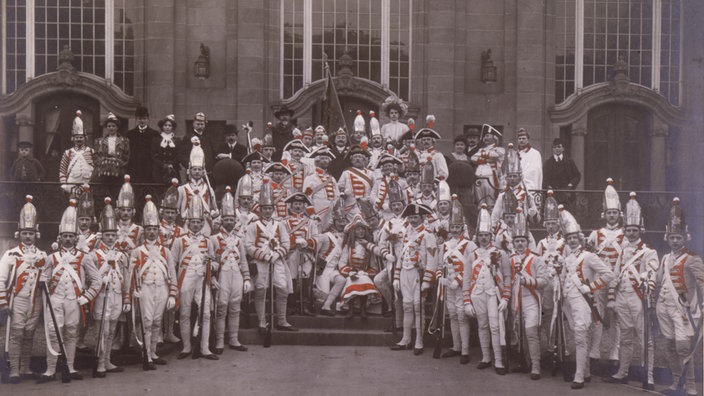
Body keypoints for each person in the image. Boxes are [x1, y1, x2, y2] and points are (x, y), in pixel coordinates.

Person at [39, 199, 101, 383]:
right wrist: (43, 279)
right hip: (55, 299)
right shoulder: (52, 257)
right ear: (60, 237)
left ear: (76, 238)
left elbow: (97, 281)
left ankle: (70, 367)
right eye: (64, 236)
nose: (68, 239)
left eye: (71, 236)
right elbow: (44, 277)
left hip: (74, 300)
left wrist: (86, 297)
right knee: (53, 332)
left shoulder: (84, 257)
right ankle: (50, 370)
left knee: (71, 332)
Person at [603, 192, 658, 390]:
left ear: (640, 230)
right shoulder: (622, 251)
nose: (632, 233)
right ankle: (622, 372)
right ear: (624, 231)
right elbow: (614, 276)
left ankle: (649, 376)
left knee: (646, 339)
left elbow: (652, 274)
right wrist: (611, 298)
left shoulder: (649, 252)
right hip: (622, 298)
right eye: (628, 230)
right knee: (625, 337)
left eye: (634, 230)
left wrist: (648, 291)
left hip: (638, 298)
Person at [557, 205, 614, 390]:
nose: (572, 241)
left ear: (580, 239)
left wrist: (590, 287)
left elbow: (608, 275)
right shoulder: (566, 259)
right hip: (568, 302)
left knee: (581, 338)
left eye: (575, 238)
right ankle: (586, 371)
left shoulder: (589, 256)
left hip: (583, 301)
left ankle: (579, 376)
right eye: (569, 238)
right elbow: (564, 279)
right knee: (576, 336)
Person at [655, 198, 704, 396]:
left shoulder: (693, 258)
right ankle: (677, 383)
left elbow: (702, 281)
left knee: (684, 348)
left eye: (679, 238)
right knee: (668, 346)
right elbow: (659, 281)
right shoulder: (665, 258)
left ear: (685, 238)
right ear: (667, 238)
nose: (675, 241)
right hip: (664, 307)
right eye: (672, 237)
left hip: (683, 310)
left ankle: (691, 386)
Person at [0, 196, 48, 383]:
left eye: (30, 233)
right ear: (18, 234)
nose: (28, 236)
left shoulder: (42, 255)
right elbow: (1, 278)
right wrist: (3, 302)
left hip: (35, 299)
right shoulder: (11, 254)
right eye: (24, 233)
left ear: (36, 234)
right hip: (17, 298)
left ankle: (26, 367)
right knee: (17, 332)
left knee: (29, 333)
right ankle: (14, 370)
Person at [127, 196, 178, 369]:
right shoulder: (137, 251)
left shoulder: (166, 251)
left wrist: (173, 294)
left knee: (157, 320)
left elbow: (172, 273)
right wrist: (132, 290)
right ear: (144, 231)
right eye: (148, 229)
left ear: (158, 231)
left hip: (162, 288)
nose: (151, 232)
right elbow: (131, 275)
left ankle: (154, 352)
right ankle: (146, 354)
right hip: (145, 288)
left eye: (154, 229)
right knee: (147, 321)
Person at [463, 204, 511, 375]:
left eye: (486, 235)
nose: (484, 238)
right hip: (477, 294)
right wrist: (467, 301)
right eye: (481, 235)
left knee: (495, 326)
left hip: (493, 294)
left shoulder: (500, 253)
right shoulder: (471, 254)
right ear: (477, 236)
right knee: (482, 325)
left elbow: (506, 277)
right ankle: (485, 357)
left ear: (491, 236)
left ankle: (498, 360)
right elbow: (466, 279)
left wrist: (506, 297)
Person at [170, 195, 218, 360]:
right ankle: (186, 347)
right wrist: (174, 284)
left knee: (205, 313)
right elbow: (172, 263)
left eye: (199, 222)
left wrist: (210, 264)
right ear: (188, 223)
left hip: (202, 280)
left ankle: (204, 348)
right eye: (193, 222)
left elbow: (215, 262)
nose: (196, 225)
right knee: (185, 313)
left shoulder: (208, 240)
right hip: (185, 278)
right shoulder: (179, 241)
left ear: (203, 224)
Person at [246, 180, 296, 332]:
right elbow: (248, 246)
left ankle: (282, 320)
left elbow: (287, 244)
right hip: (261, 262)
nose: (267, 211)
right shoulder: (253, 225)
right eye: (264, 208)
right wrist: (263, 256)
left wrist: (276, 254)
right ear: (260, 209)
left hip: (277, 261)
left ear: (273, 209)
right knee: (261, 291)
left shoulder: (280, 224)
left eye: (270, 208)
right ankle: (262, 322)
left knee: (282, 289)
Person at [586, 178, 623, 374]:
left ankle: (614, 353)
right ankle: (594, 352)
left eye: (614, 213)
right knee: (597, 316)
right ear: (604, 214)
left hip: (616, 283)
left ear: (619, 214)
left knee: (615, 317)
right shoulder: (595, 234)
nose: (612, 216)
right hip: (599, 283)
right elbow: (590, 257)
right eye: (609, 213)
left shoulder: (625, 234)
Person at [391, 203, 437, 355]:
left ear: (422, 218)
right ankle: (405, 339)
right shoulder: (406, 233)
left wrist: (427, 280)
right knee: (407, 306)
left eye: (415, 217)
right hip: (405, 272)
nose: (413, 220)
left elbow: (432, 259)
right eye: (410, 217)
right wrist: (396, 276)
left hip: (419, 274)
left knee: (418, 307)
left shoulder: (428, 235)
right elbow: (401, 256)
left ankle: (419, 341)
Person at [90, 197, 129, 377]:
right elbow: (90, 278)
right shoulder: (94, 255)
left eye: (113, 235)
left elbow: (126, 277)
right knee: (102, 331)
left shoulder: (121, 255)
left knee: (112, 328)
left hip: (116, 295)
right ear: (102, 236)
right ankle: (99, 363)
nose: (111, 238)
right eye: (107, 235)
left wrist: (127, 296)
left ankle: (107, 360)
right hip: (101, 296)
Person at [507, 208, 547, 379]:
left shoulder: (536, 259)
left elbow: (544, 281)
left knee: (530, 333)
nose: (520, 244)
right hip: (515, 300)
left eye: (523, 241)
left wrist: (528, 281)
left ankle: (536, 366)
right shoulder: (509, 260)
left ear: (527, 242)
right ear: (513, 243)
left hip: (531, 299)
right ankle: (524, 362)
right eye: (517, 241)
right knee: (519, 333)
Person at [210, 187, 251, 354]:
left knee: (235, 308)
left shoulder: (239, 240)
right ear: (222, 221)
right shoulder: (213, 239)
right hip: (222, 276)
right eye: (226, 219)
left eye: (231, 219)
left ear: (235, 221)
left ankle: (234, 339)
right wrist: (212, 277)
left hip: (236, 275)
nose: (229, 222)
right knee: (221, 308)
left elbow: (244, 261)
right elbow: (211, 260)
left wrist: (247, 278)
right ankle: (219, 341)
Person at [437, 195, 476, 364]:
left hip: (462, 286)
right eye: (452, 226)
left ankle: (465, 351)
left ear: (462, 227)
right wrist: (441, 279)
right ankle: (456, 346)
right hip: (449, 286)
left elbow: (472, 267)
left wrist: (459, 280)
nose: (454, 230)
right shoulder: (444, 246)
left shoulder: (469, 245)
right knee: (452, 315)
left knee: (461, 316)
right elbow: (439, 265)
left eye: (457, 226)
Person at [337, 214, 390, 318]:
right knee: (351, 281)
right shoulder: (348, 246)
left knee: (364, 280)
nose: (360, 232)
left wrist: (366, 272)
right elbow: (342, 263)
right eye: (357, 230)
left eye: (362, 230)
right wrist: (350, 271)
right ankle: (351, 309)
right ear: (353, 232)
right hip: (351, 272)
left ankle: (363, 309)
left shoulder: (368, 246)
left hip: (364, 273)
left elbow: (374, 267)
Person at [282, 193, 318, 316]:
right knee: (291, 278)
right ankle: (291, 306)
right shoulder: (284, 222)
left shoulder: (311, 222)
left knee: (305, 278)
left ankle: (305, 305)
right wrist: (293, 243)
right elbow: (282, 238)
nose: (298, 206)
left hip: (306, 254)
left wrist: (306, 242)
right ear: (291, 205)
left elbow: (316, 238)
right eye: (296, 204)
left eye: (301, 204)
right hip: (290, 254)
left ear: (304, 206)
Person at [491, 143, 539, 228]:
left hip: (523, 230)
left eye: (514, 176)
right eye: (510, 176)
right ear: (506, 178)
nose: (512, 179)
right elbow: (495, 215)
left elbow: (536, 220)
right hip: (505, 230)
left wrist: (533, 214)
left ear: (519, 177)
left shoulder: (526, 195)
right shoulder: (502, 195)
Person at [178, 138, 219, 236]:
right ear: (190, 171)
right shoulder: (182, 189)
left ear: (203, 171)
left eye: (199, 169)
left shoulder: (209, 189)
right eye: (194, 169)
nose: (197, 172)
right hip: (187, 225)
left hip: (205, 225)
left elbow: (213, 207)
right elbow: (177, 210)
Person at [302, 147, 339, 231]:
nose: (325, 161)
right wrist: (311, 213)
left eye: (326, 159)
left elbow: (337, 195)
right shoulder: (310, 177)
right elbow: (307, 196)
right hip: (317, 209)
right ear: (317, 161)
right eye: (322, 158)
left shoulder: (332, 178)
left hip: (330, 211)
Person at [60, 111, 95, 194]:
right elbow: (63, 169)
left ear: (85, 138)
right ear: (73, 139)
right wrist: (64, 184)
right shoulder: (68, 152)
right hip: (72, 184)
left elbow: (96, 168)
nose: (79, 139)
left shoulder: (91, 151)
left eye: (81, 137)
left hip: (88, 183)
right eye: (77, 137)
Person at [471, 126, 504, 209]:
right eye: (485, 136)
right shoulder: (481, 149)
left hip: (491, 178)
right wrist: (486, 160)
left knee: (490, 202)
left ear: (495, 137)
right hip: (479, 178)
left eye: (488, 136)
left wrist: (482, 155)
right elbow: (473, 158)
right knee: (480, 203)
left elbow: (496, 155)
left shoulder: (499, 149)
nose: (485, 138)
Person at [338, 145, 374, 221]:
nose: (357, 159)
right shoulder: (346, 172)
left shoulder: (371, 173)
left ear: (364, 160)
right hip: (350, 205)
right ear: (351, 160)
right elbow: (340, 186)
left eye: (360, 157)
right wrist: (343, 192)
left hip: (366, 205)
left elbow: (374, 189)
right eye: (355, 157)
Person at [542, 138, 581, 208]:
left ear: (563, 148)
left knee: (567, 216)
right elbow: (544, 178)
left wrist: (570, 185)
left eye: (559, 147)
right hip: (553, 195)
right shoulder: (548, 163)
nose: (557, 149)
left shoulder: (569, 162)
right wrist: (548, 187)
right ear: (552, 149)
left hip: (567, 195)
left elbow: (577, 176)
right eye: (554, 147)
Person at [93, 112, 130, 185]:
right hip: (103, 172)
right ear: (106, 127)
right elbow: (95, 156)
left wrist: (118, 163)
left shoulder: (124, 141)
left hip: (118, 172)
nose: (111, 128)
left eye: (113, 126)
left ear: (117, 127)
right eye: (109, 126)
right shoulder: (99, 141)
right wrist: (103, 162)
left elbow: (126, 156)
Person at [126, 106, 159, 183]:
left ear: (147, 119)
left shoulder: (154, 134)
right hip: (134, 166)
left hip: (149, 166)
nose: (142, 121)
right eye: (140, 119)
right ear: (136, 119)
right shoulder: (130, 134)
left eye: (144, 118)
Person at [151, 114, 182, 184]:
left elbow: (179, 156)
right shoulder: (156, 140)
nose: (167, 127)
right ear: (162, 127)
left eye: (169, 125)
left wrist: (171, 164)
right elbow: (153, 155)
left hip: (173, 169)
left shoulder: (177, 141)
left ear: (172, 127)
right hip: (159, 170)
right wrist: (163, 165)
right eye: (165, 125)